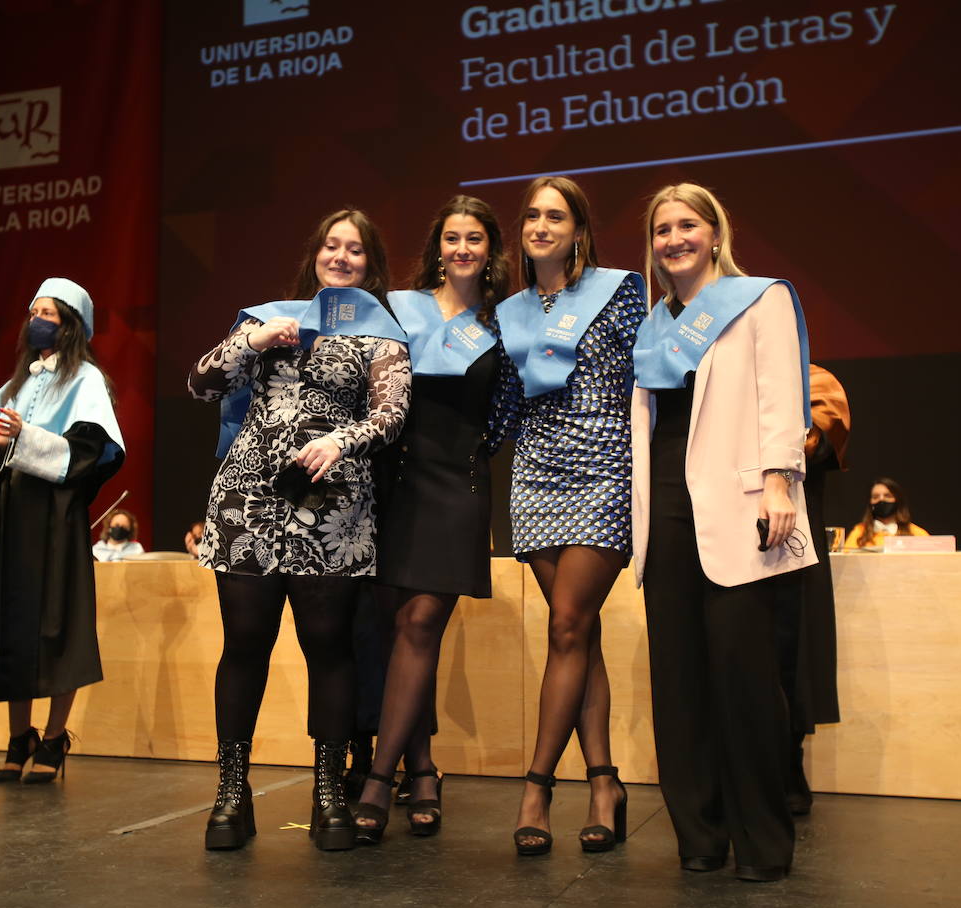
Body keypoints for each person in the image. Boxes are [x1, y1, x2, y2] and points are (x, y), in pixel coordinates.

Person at [188, 209, 410, 852]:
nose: (341, 257)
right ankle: (232, 794)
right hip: (250, 499)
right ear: (315, 253)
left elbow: (393, 415)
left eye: (356, 250)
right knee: (245, 644)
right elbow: (201, 385)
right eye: (332, 245)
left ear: (371, 265)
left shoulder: (381, 333)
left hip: (334, 508)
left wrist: (345, 438)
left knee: (329, 646)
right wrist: (250, 343)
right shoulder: (266, 317)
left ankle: (329, 795)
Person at [631, 181, 817, 881]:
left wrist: (780, 480)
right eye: (661, 230)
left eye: (686, 225)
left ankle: (763, 843)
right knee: (679, 686)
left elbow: (782, 390)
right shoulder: (653, 324)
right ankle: (699, 838)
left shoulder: (759, 297)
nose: (673, 239)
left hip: (743, 508)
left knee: (745, 683)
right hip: (668, 512)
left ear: (714, 233)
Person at [491, 176, 646, 855]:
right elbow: (503, 406)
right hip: (535, 473)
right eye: (531, 215)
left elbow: (652, 378)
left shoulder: (622, 289)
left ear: (579, 230)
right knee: (578, 636)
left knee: (565, 626)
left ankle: (536, 788)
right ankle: (605, 781)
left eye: (556, 216)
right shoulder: (510, 311)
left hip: (605, 463)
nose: (541, 225)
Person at [352, 194, 510, 842]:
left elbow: (504, 412)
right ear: (437, 246)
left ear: (490, 248)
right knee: (396, 630)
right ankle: (422, 767)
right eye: (452, 237)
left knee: (421, 621)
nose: (463, 248)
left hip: (458, 485)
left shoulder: (504, 323)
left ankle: (378, 781)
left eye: (474, 238)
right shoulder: (401, 307)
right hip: (396, 481)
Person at [0, 277, 126, 785]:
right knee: (13, 622)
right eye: (33, 310)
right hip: (11, 513)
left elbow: (93, 450)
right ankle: (19, 737)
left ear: (71, 324)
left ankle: (54, 737)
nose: (37, 320)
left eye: (49, 313)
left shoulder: (87, 382)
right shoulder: (16, 383)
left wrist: (23, 439)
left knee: (56, 624)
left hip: (56, 515)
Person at [772, 365, 849, 816]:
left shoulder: (813, 380)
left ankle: (788, 763)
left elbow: (816, 440)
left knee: (794, 657)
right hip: (721, 533)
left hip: (794, 545)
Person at [844, 478, 929, 549]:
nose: (881, 500)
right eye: (875, 497)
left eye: (887, 496)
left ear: (897, 500)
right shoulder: (859, 532)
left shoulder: (917, 533)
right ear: (870, 503)